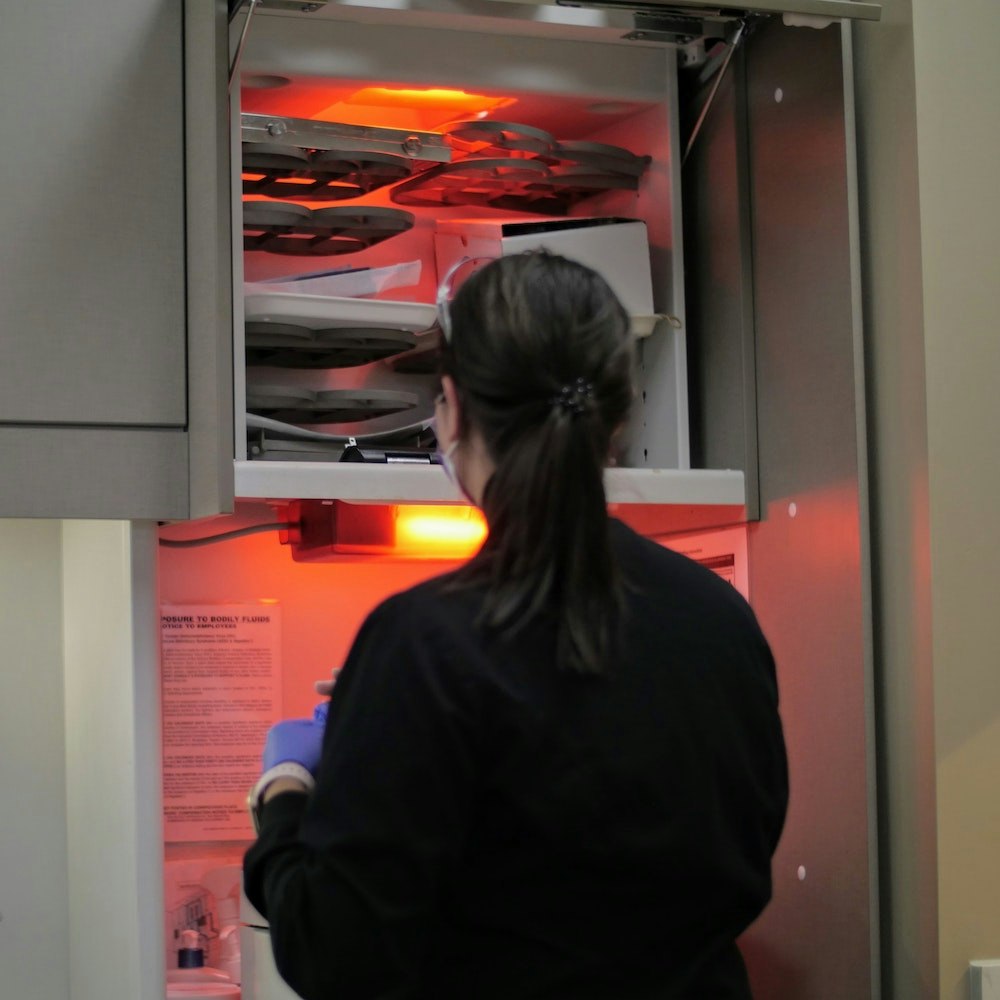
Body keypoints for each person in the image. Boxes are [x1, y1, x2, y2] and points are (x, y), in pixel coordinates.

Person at [243, 250, 788, 999]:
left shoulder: (424, 642)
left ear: (455, 407)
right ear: (620, 417)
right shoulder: (720, 616)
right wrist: (392, 720)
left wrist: (287, 793)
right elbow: (734, 859)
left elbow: (338, 956)